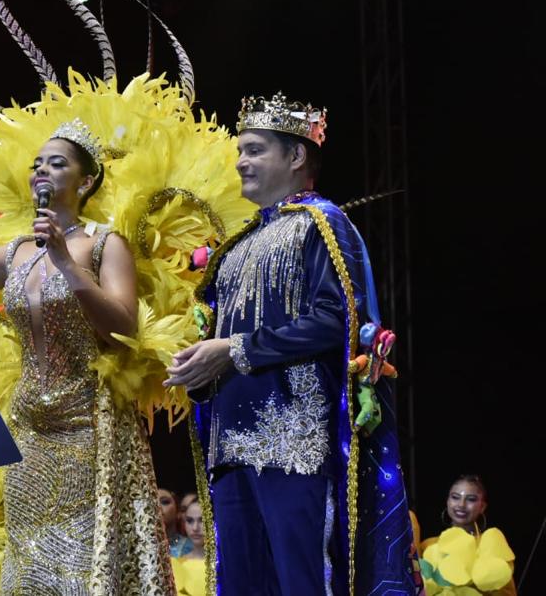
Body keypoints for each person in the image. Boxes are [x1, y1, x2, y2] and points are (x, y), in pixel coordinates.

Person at [0, 119, 174, 594]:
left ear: (86, 181)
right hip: (30, 431)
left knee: (83, 563)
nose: (41, 171)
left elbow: (124, 328)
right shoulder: (16, 252)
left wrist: (68, 263)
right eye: (36, 164)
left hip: (88, 424)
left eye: (57, 163)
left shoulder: (106, 244)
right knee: (30, 562)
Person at [166, 92, 416, 595]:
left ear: (296, 155)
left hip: (293, 442)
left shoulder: (319, 224)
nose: (241, 162)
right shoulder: (234, 247)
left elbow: (335, 319)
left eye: (255, 150)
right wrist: (198, 365)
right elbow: (214, 334)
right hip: (230, 446)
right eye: (241, 150)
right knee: (240, 581)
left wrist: (233, 350)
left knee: (301, 581)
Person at [419, 475, 517, 595]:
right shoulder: (429, 544)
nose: (461, 504)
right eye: (455, 497)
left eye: (471, 499)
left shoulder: (490, 546)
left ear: (482, 506)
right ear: (448, 501)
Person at [170, 500, 207, 596]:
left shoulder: (225, 565)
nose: (195, 528)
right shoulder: (173, 565)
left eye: (202, 520)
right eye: (190, 521)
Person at [157, 489, 191, 558]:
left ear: (178, 511)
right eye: (152, 502)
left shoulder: (191, 547)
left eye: (164, 502)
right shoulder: (141, 546)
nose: (158, 506)